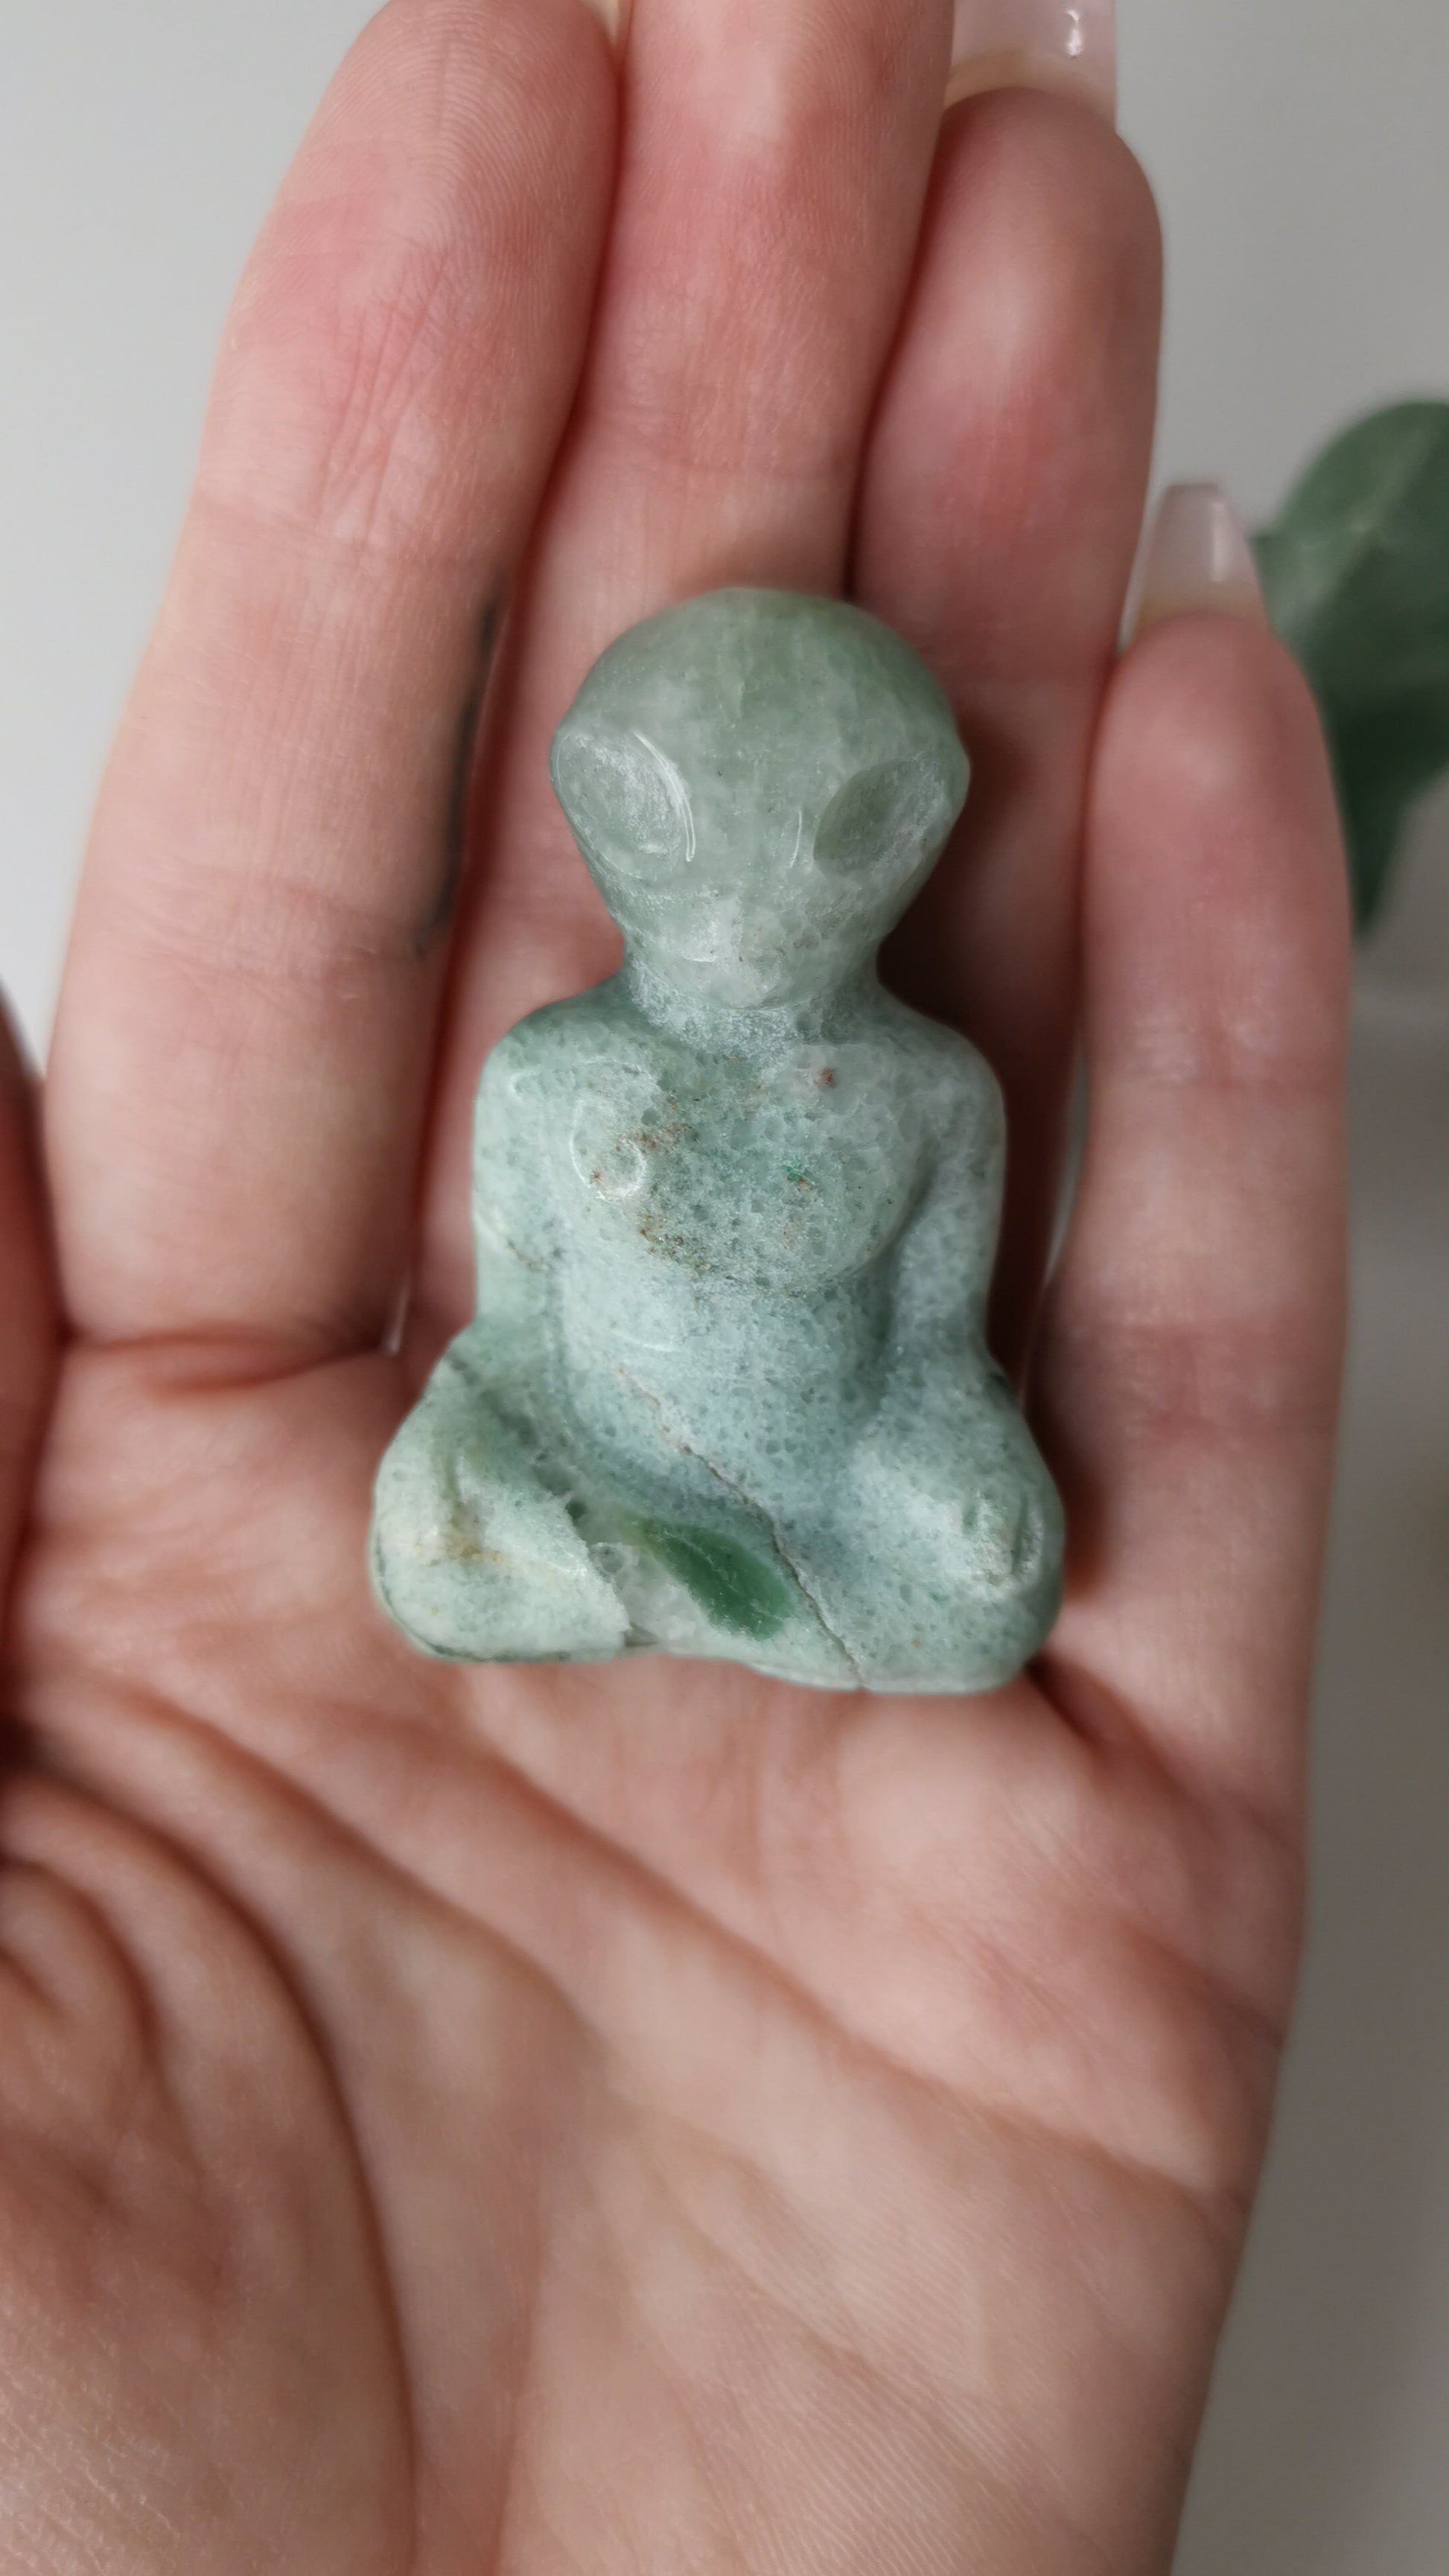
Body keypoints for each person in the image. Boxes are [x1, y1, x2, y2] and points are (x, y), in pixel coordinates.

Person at [0, 0, 1348, 2566]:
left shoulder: (926, 1099)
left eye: (821, 834)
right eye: (692, 829)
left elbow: (934, 1370)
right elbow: (508, 1342)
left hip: (811, 1492)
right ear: (613, 831)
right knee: (420, 1529)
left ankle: (712, 1593)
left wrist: (939, 1485)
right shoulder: (548, 1082)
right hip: (591, 1468)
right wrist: (533, 1463)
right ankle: (656, 1585)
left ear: (893, 839)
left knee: (1002, 1582)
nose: (752, 888)